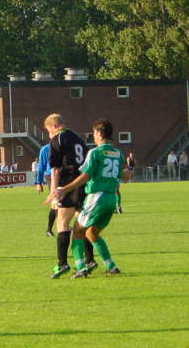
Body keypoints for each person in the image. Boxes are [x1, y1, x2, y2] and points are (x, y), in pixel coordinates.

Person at [58, 118, 132, 278]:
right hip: (111, 199)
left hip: (96, 198)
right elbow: (125, 176)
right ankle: (111, 266)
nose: (94, 136)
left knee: (77, 232)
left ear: (99, 133)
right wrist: (129, 169)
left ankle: (80, 268)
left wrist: (65, 189)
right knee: (91, 233)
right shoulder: (117, 153)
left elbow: (85, 175)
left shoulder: (95, 153)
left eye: (94, 133)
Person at [43, 113, 95, 279]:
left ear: (55, 126)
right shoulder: (78, 138)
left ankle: (62, 263)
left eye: (48, 130)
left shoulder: (57, 140)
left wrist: (53, 191)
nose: (49, 134)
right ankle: (89, 260)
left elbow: (55, 169)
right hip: (82, 183)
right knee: (81, 225)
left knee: (62, 223)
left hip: (67, 183)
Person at [35, 143, 57, 237]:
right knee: (56, 202)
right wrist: (39, 182)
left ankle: (52, 229)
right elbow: (41, 167)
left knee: (60, 203)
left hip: (63, 176)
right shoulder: (45, 149)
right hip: (50, 177)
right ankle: (50, 229)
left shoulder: (65, 146)